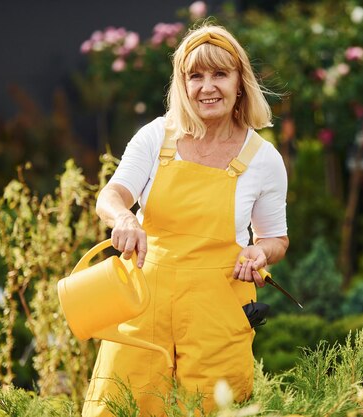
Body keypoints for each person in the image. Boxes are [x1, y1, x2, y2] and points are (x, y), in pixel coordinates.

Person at [82, 23, 289, 416]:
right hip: (142, 307)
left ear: (240, 82)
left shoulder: (263, 159)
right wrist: (123, 219)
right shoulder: (156, 137)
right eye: (195, 76)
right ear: (182, 84)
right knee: (120, 406)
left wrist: (259, 253)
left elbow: (275, 238)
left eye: (219, 74)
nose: (207, 87)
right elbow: (111, 195)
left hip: (217, 316)